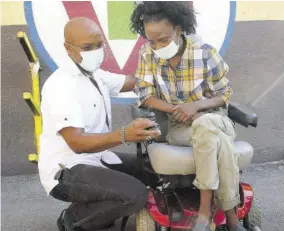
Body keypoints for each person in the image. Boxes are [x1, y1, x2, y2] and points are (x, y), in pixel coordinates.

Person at [131, 2, 245, 231]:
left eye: (163, 39)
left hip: (217, 120)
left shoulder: (205, 52)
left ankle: (204, 213)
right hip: (180, 128)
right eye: (151, 41)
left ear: (179, 29)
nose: (157, 46)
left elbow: (225, 94)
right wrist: (176, 110)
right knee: (218, 141)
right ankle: (231, 217)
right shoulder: (147, 55)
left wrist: (196, 106)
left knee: (207, 124)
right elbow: (144, 95)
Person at [39, 17, 160, 231]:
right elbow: (76, 143)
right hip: (67, 170)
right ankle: (72, 219)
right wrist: (124, 134)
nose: (95, 51)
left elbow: (132, 82)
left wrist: (162, 67)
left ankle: (100, 207)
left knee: (155, 170)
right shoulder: (61, 85)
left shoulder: (94, 75)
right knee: (135, 194)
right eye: (88, 47)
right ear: (68, 48)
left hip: (98, 158)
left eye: (99, 45)